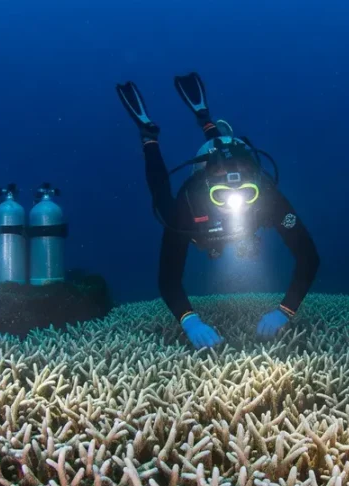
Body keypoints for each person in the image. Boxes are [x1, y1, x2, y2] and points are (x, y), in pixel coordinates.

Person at [115, 72, 320, 348]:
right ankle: (149, 137)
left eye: (248, 194)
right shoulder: (190, 203)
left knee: (224, 152)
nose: (235, 205)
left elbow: (309, 257)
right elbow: (168, 278)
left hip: (235, 181)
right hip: (198, 212)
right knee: (164, 207)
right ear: (206, 191)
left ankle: (207, 121)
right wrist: (190, 320)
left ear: (258, 187)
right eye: (220, 196)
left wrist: (285, 310)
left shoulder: (270, 198)